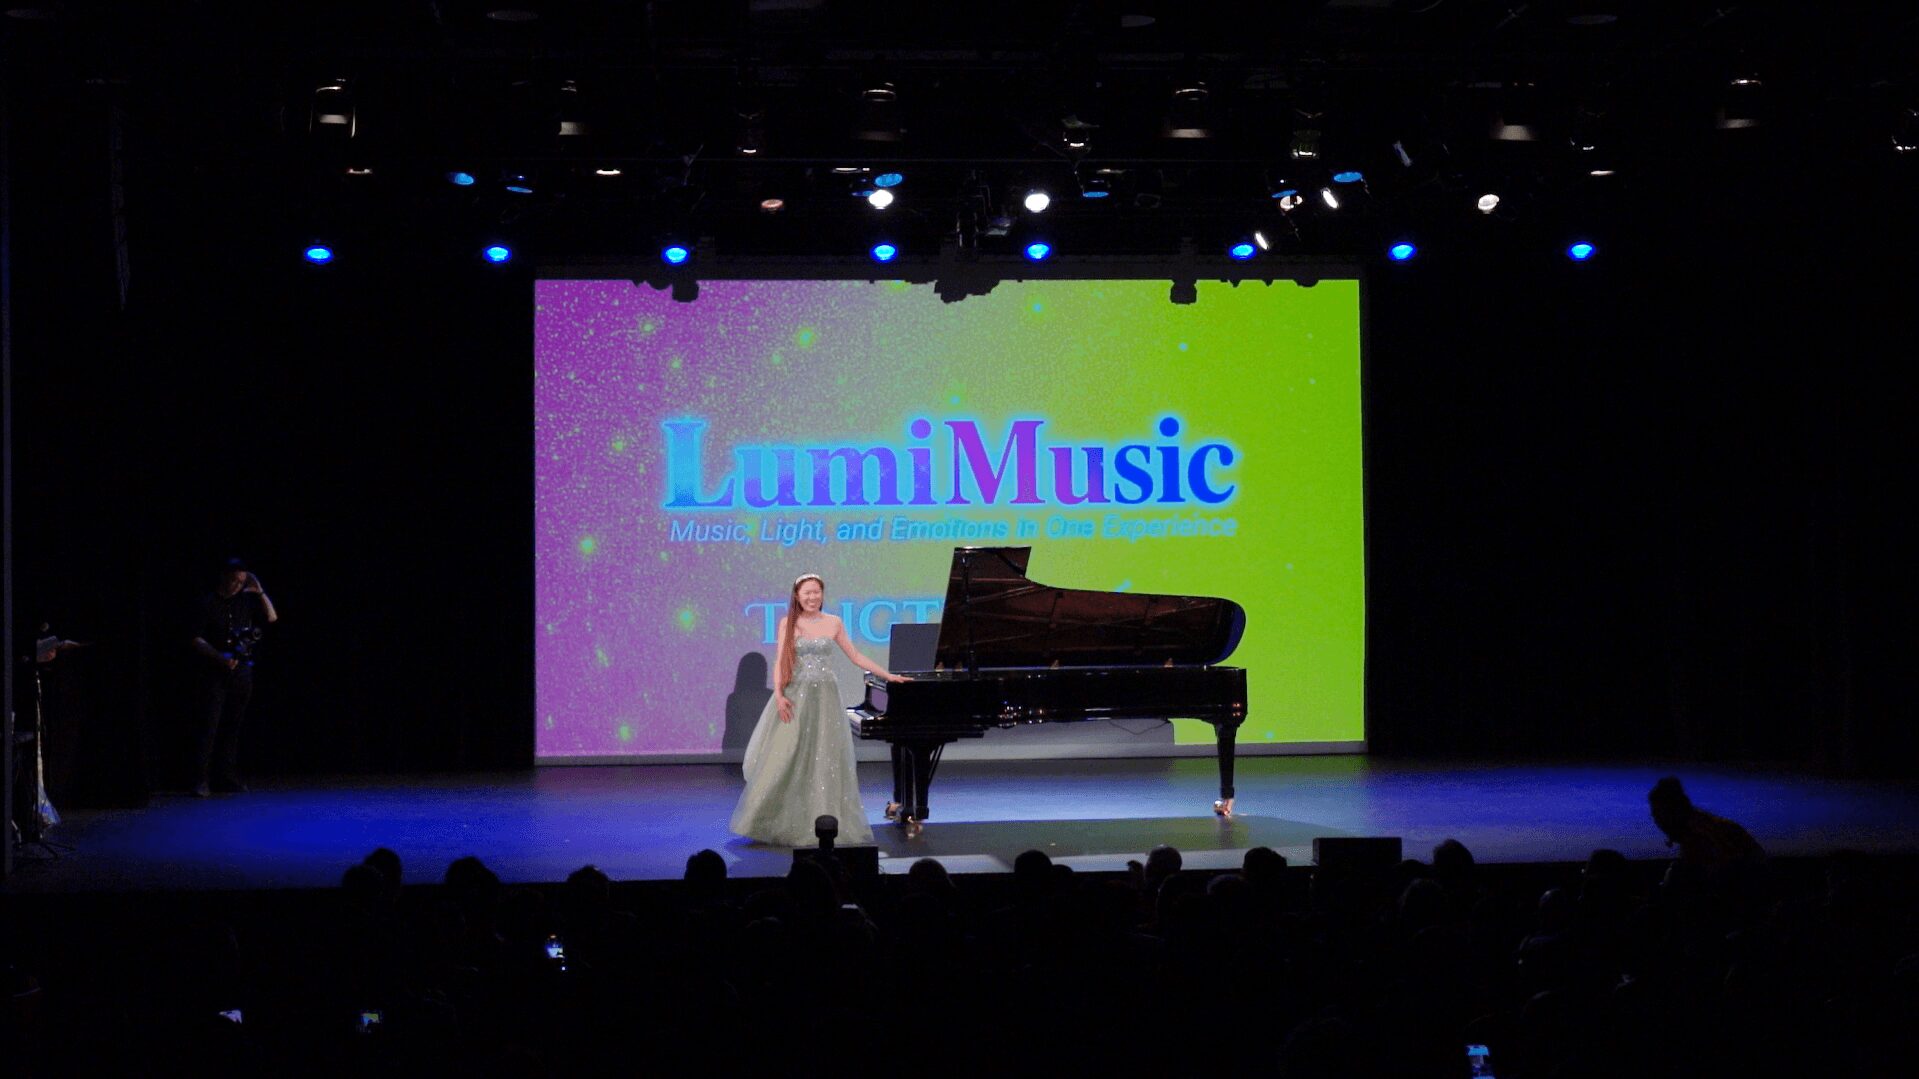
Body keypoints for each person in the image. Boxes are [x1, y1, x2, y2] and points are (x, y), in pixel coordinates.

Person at [729, 573, 906, 847]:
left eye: (816, 592)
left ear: (822, 594)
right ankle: (772, 820)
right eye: (807, 593)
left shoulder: (834, 622)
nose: (812, 597)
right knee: (788, 755)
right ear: (797, 596)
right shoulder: (788, 623)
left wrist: (889, 675)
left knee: (824, 756)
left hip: (825, 698)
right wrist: (779, 695)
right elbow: (781, 661)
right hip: (796, 696)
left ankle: (822, 818)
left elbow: (856, 656)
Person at [188, 558, 278, 796]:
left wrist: (260, 591)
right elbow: (195, 638)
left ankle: (225, 777)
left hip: (241, 673)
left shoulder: (245, 602)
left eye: (242, 582)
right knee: (209, 726)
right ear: (223, 577)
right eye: (234, 581)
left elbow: (271, 617)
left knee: (232, 726)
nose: (238, 586)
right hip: (213, 672)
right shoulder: (208, 603)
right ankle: (200, 779)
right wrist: (219, 657)